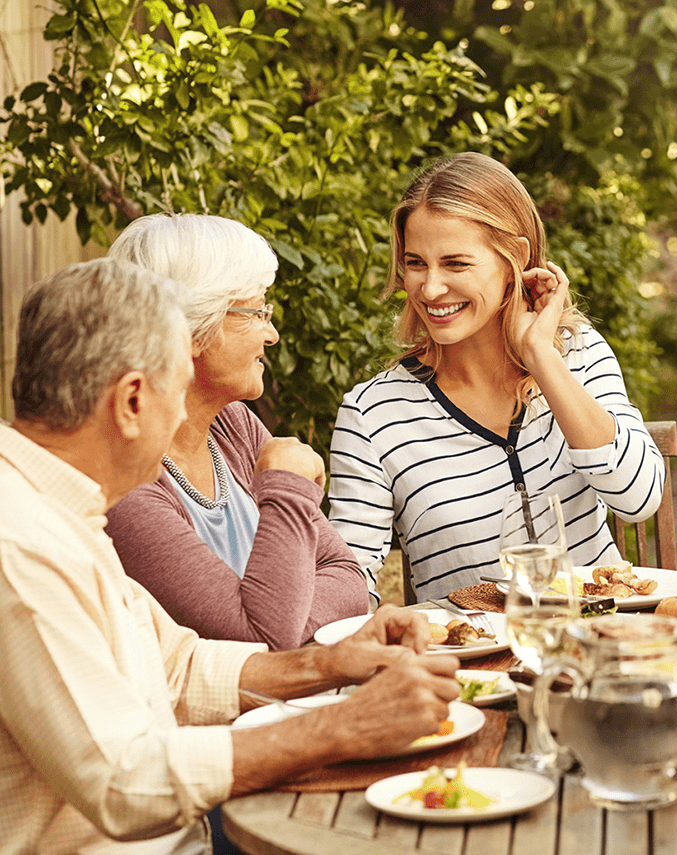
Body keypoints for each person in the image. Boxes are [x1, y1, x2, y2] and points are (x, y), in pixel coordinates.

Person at [0, 258, 459, 855]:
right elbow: (122, 781)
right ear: (133, 401)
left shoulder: (57, 506)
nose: (184, 419)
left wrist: (333, 664)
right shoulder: (21, 544)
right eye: (179, 389)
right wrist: (344, 726)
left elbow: (177, 668)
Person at [328, 152, 665, 601]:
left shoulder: (578, 355)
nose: (429, 289)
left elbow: (639, 498)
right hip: (475, 664)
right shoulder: (372, 415)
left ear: (514, 259)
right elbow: (348, 581)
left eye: (455, 264)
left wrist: (541, 358)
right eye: (415, 263)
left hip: (605, 642)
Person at [103, 213, 369, 649]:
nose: (272, 333)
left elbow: (348, 576)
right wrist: (287, 488)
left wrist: (284, 624)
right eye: (256, 312)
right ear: (190, 327)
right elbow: (259, 640)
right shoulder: (129, 485)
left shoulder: (232, 425)